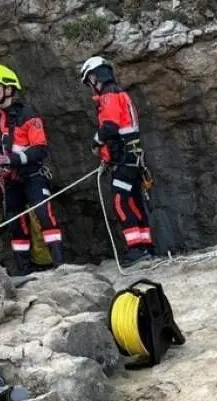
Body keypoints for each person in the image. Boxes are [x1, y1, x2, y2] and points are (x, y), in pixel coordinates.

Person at [0, 63, 64, 275]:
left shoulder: (28, 114)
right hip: (9, 180)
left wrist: (11, 159)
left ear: (8, 89)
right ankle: (24, 270)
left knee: (44, 215)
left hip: (32, 175)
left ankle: (60, 265)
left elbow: (40, 149)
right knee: (15, 222)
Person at [79, 56, 156, 267]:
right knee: (134, 201)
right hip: (132, 158)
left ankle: (136, 250)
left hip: (124, 159)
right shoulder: (121, 94)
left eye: (89, 82)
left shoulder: (109, 96)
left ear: (95, 77)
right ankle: (146, 246)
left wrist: (95, 143)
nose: (90, 87)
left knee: (121, 201)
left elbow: (110, 128)